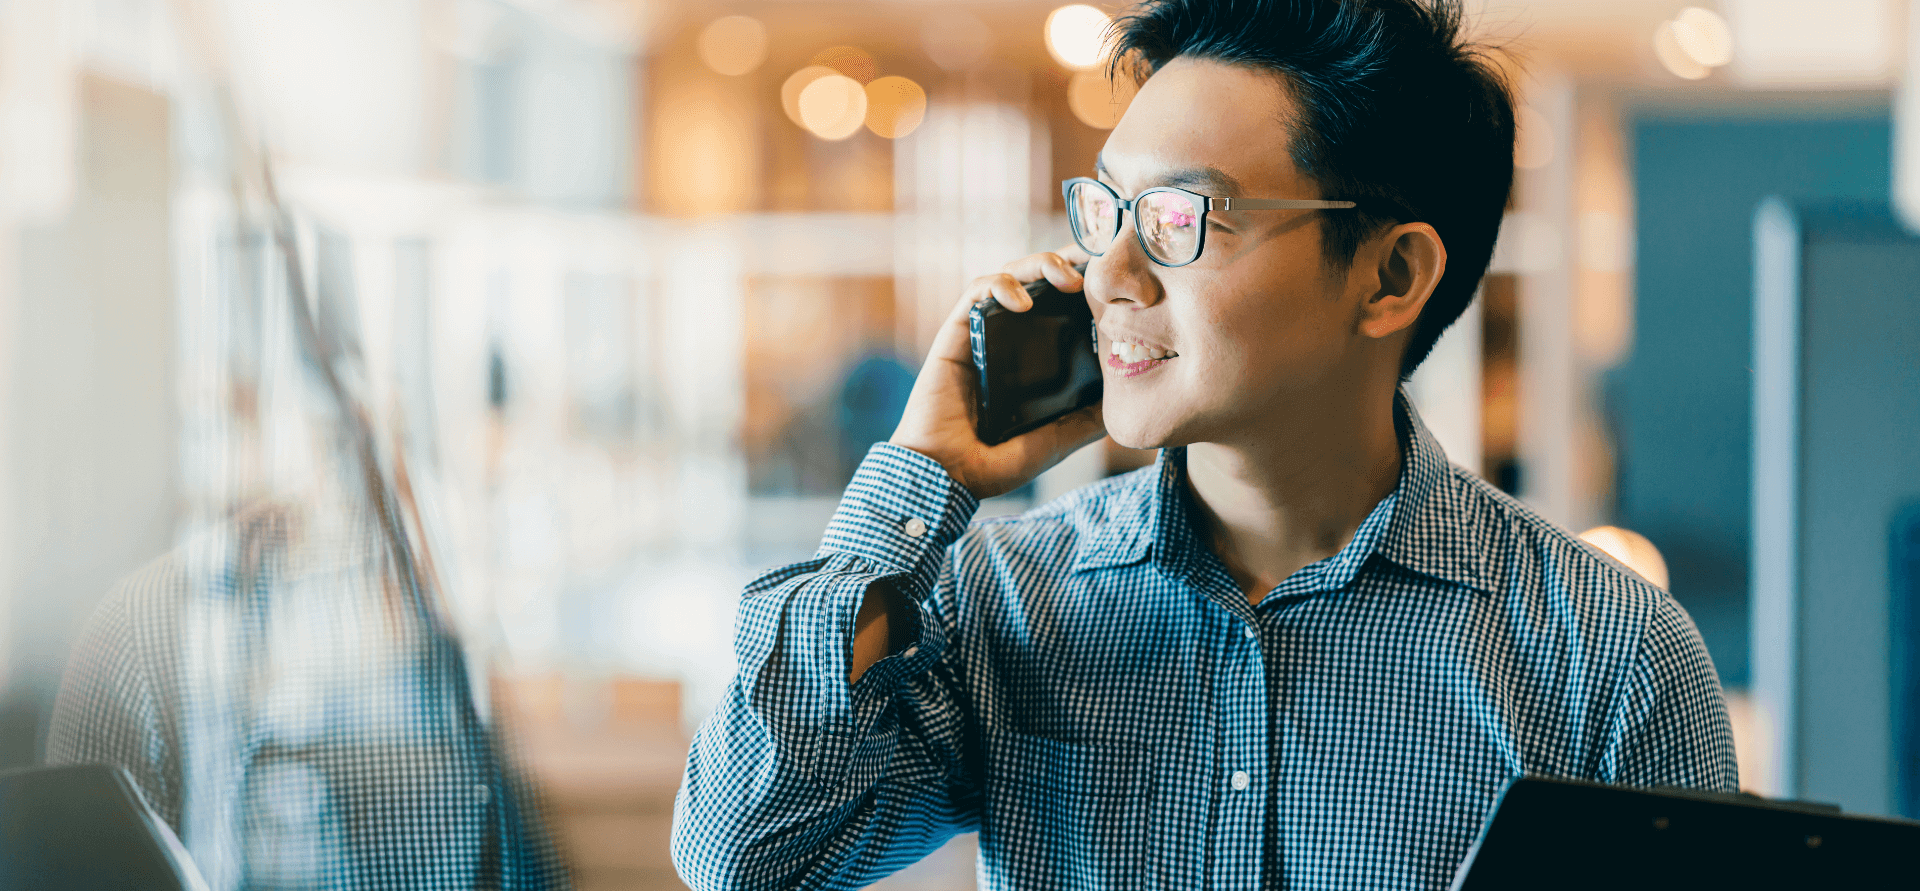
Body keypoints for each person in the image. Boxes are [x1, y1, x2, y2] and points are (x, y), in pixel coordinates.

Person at [671, 0, 1737, 887]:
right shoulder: (1009, 596)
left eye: (1182, 219)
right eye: (1106, 212)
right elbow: (740, 855)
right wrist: (920, 481)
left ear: (1391, 276)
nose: (1108, 276)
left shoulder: (1608, 658)